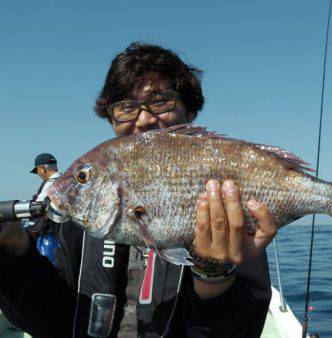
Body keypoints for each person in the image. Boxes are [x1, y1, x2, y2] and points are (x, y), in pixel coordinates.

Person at [0, 42, 277, 337]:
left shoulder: (227, 209)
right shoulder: (86, 216)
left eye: (161, 102)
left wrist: (214, 275)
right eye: (126, 107)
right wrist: (17, 252)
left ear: (191, 109)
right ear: (112, 120)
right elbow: (54, 322)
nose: (143, 119)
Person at [25, 153, 62, 265]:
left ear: (42, 168)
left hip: (50, 238)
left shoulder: (50, 184)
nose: (38, 175)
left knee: (49, 270)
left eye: (37, 171)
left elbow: (37, 208)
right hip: (64, 235)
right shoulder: (66, 181)